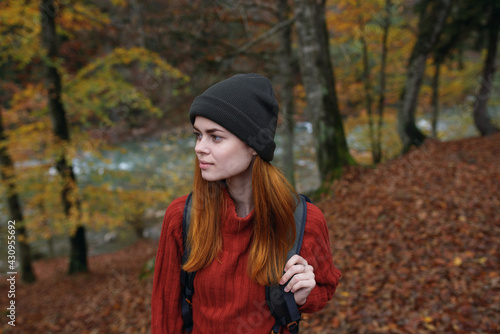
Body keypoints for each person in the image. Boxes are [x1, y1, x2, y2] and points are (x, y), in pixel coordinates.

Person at [151, 73, 341, 333]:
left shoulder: (302, 220)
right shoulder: (182, 217)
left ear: (254, 145)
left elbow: (325, 288)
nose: (199, 148)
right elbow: (166, 315)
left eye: (215, 136)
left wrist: (303, 296)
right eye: (198, 135)